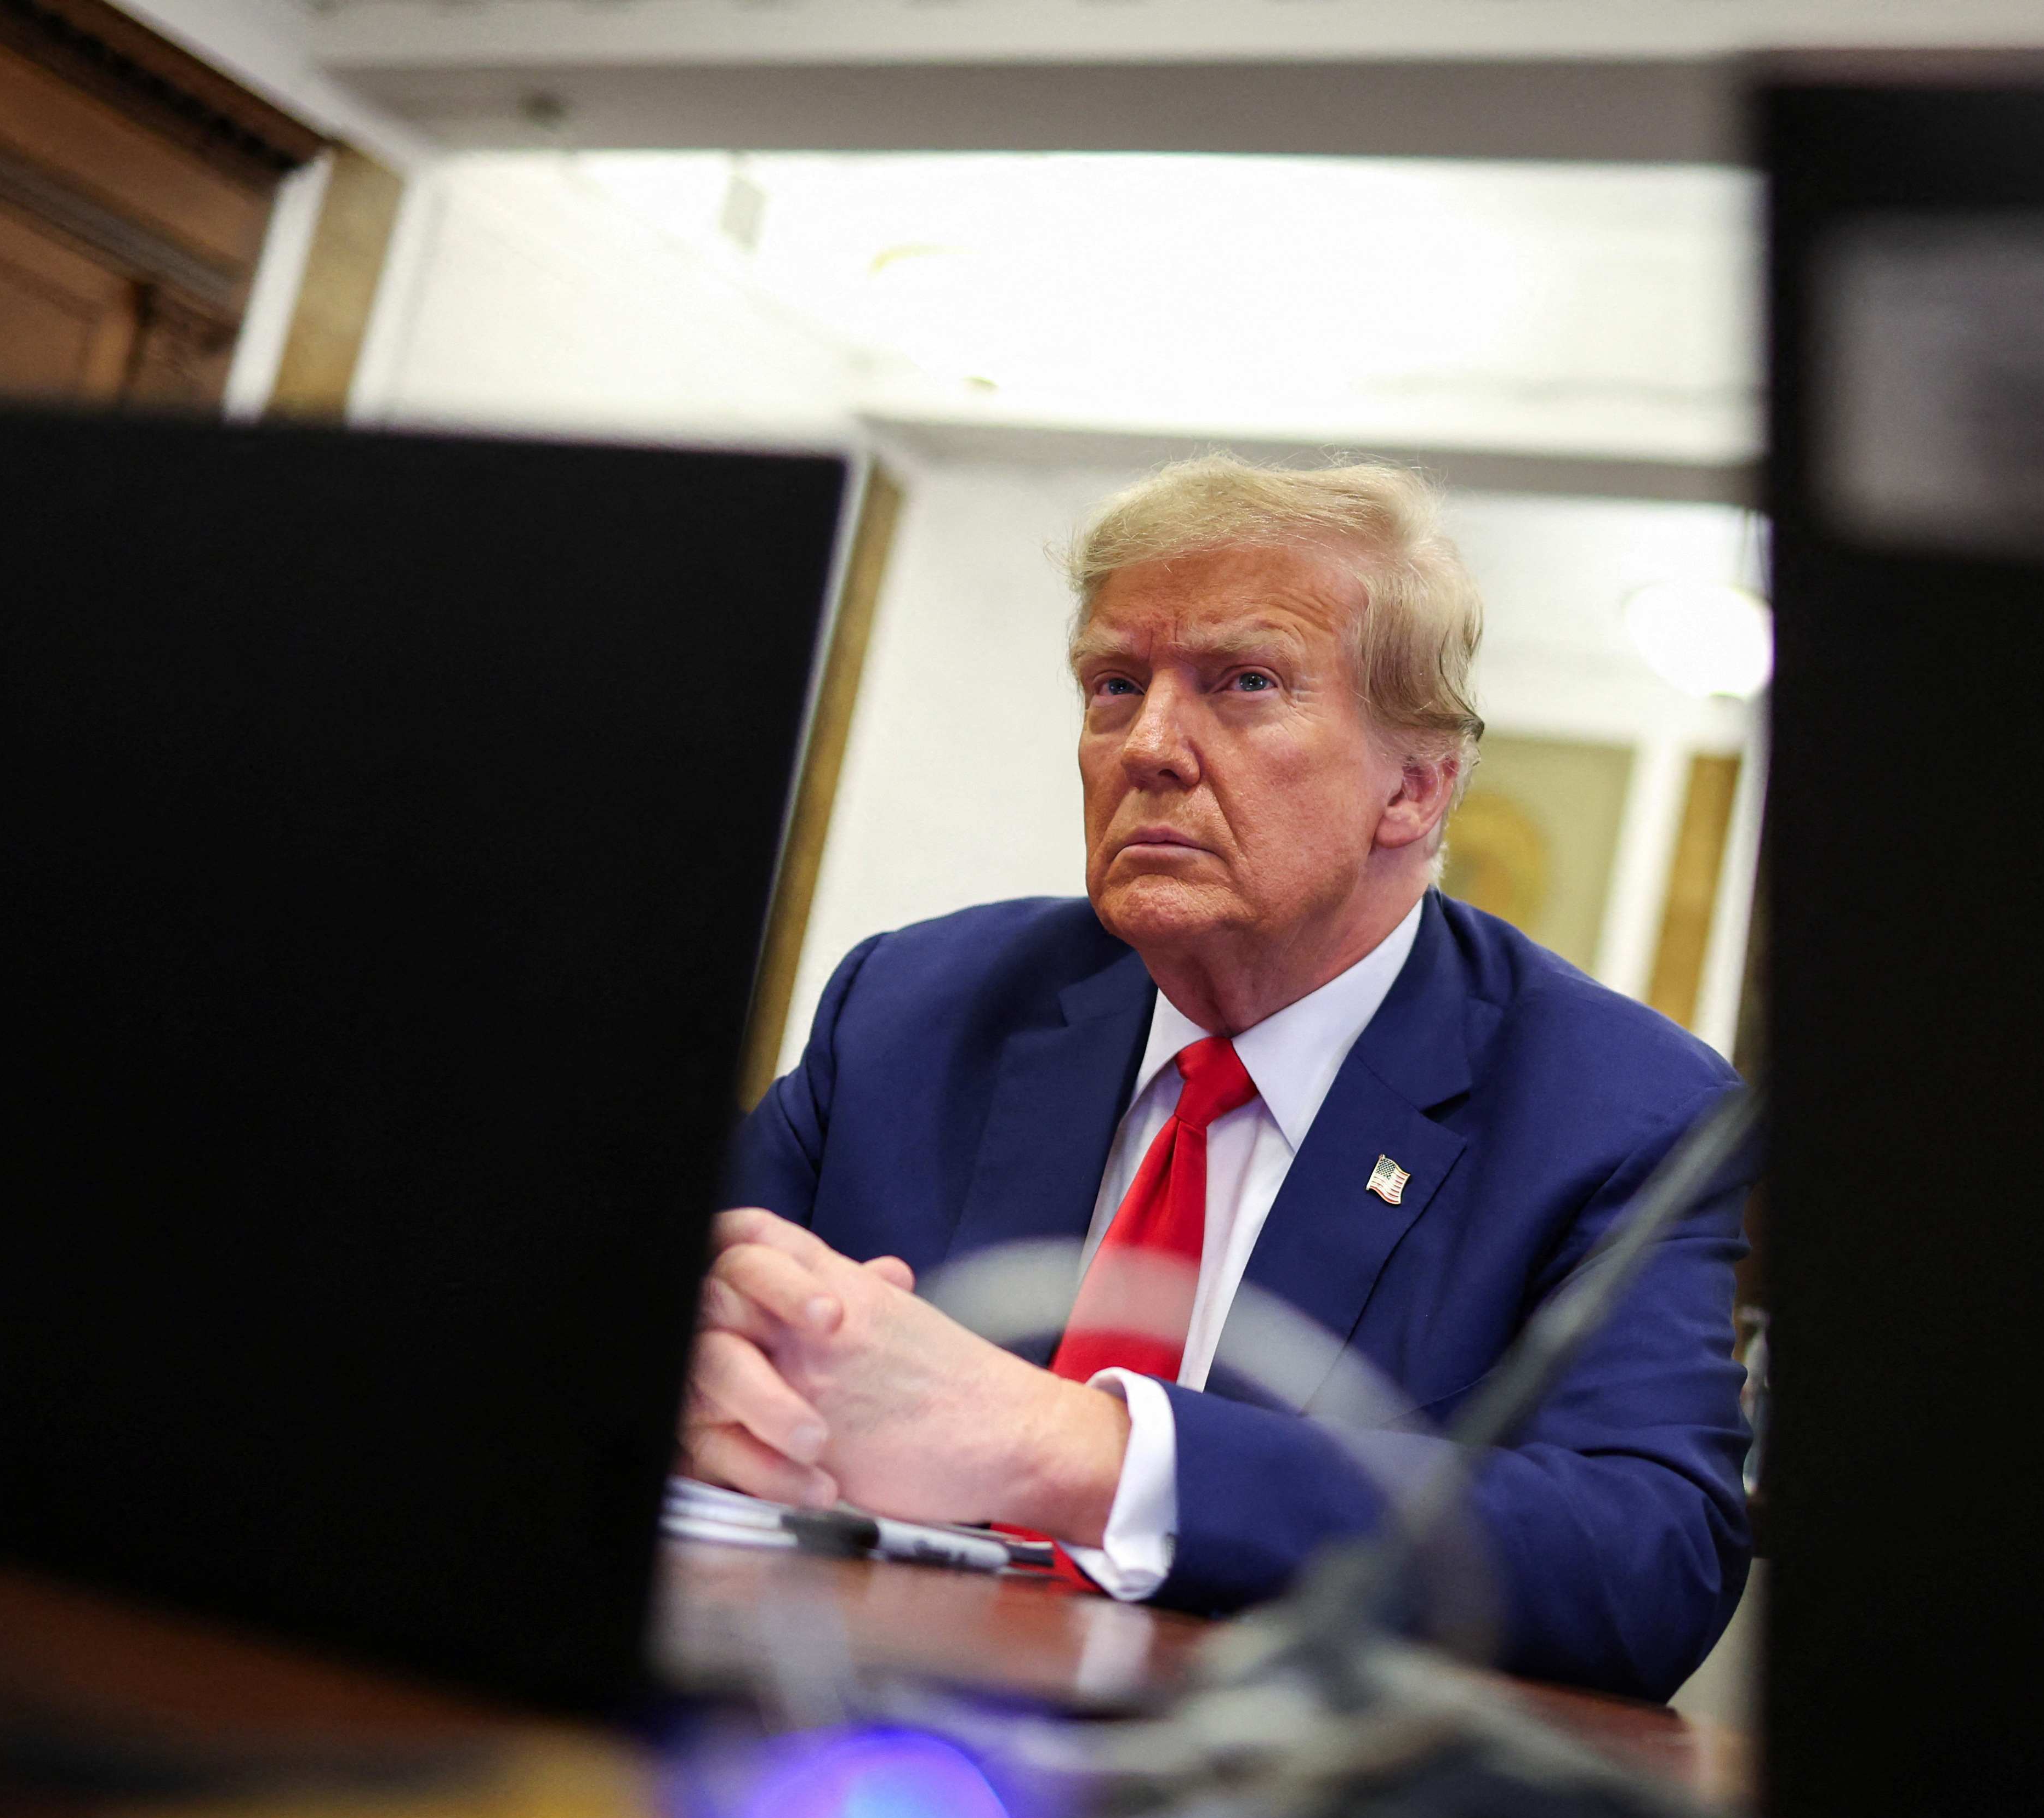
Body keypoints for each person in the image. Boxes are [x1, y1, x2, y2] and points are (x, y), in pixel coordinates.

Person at [682, 457, 1750, 1700]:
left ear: (1414, 786)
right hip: (846, 1726)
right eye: (1113, 684)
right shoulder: (917, 1006)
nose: (1148, 747)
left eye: (1244, 684)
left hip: (1269, 1810)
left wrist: (1082, 1449)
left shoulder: (1618, 1109)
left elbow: (1651, 1558)